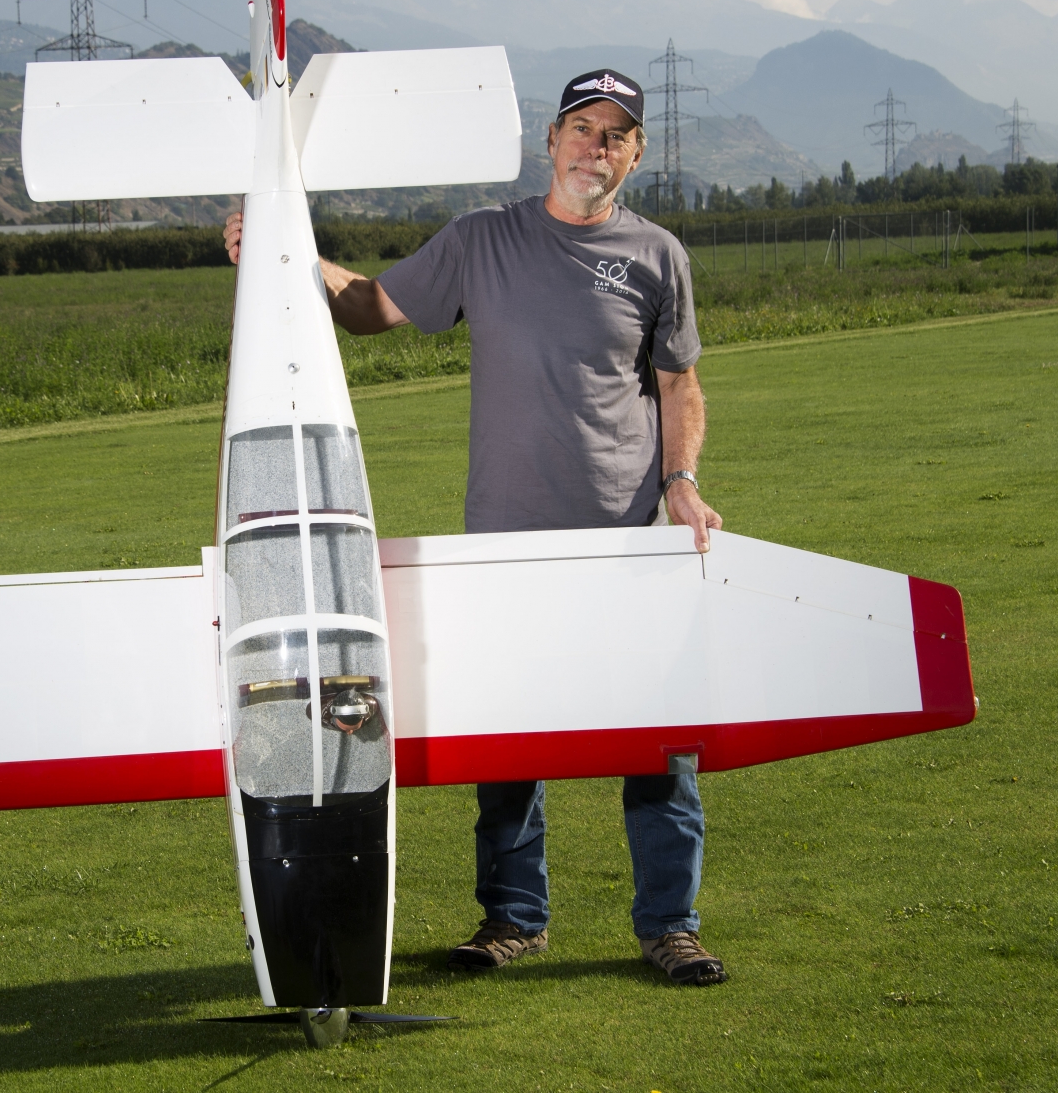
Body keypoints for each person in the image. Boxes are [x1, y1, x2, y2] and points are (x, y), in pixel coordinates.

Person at [223, 68, 727, 987]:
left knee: (660, 743)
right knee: (509, 742)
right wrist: (288, 252)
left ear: (637, 154)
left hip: (626, 540)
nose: (596, 148)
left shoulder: (657, 256)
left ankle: (670, 925)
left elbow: (677, 382)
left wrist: (683, 480)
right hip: (503, 540)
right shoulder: (482, 240)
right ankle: (513, 919)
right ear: (552, 141)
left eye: (617, 135)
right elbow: (372, 307)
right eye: (583, 129)